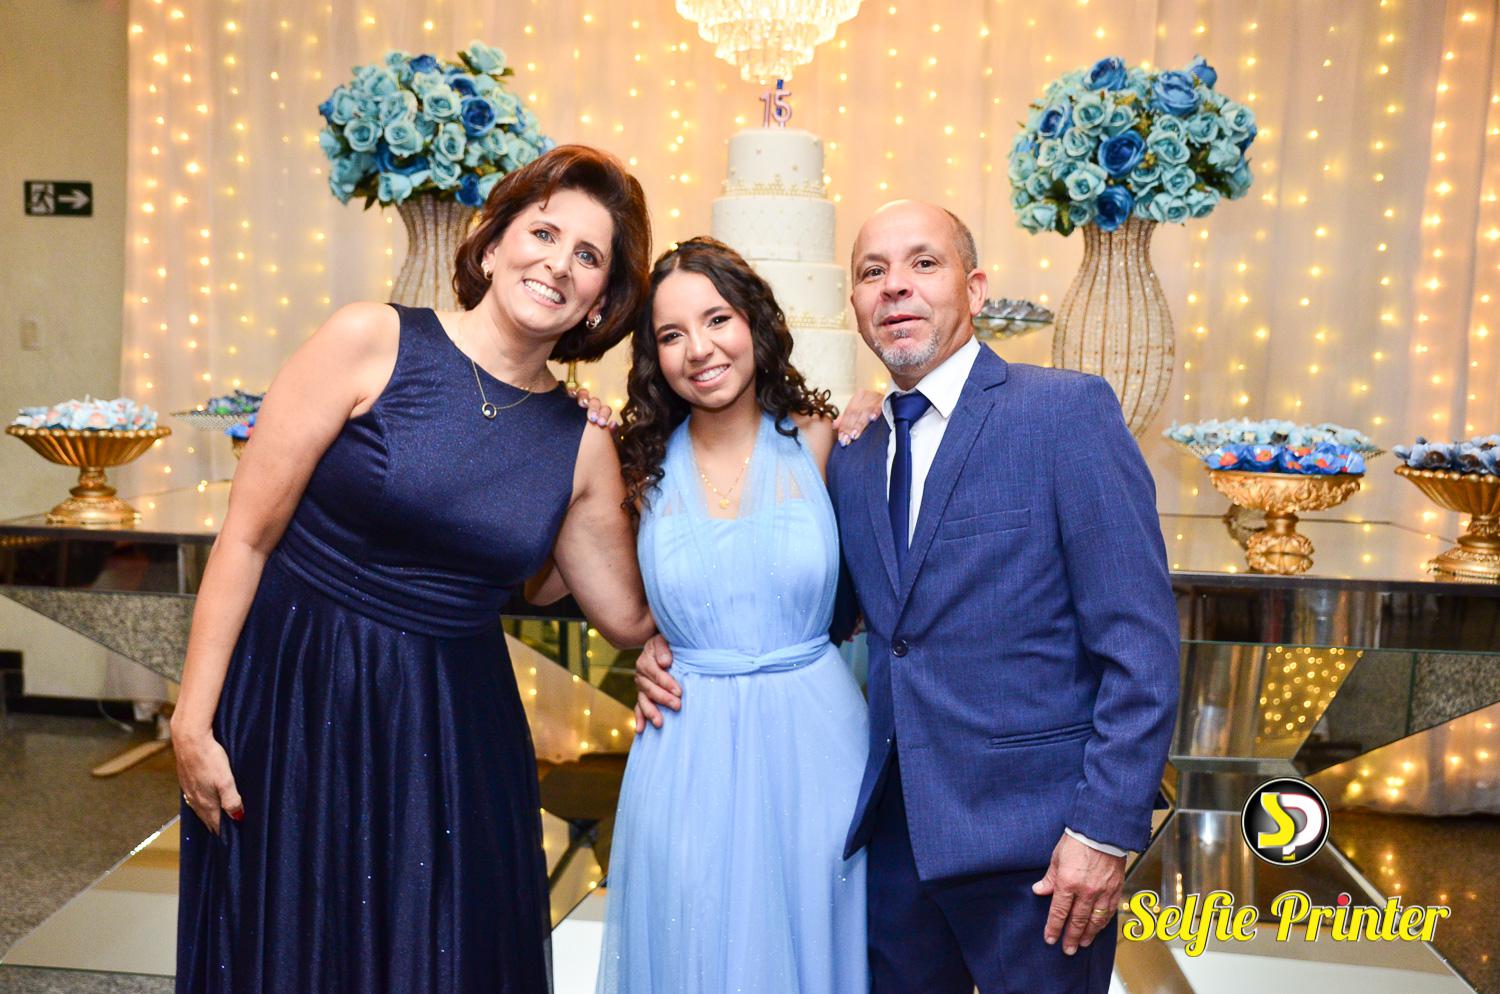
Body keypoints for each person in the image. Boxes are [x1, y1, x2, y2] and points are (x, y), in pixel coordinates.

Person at [635, 201, 1180, 994]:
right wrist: (667, 642)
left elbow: (1141, 646)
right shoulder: (855, 453)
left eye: (924, 263)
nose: (895, 286)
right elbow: (823, 610)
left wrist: (1102, 831)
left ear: (976, 287)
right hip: (890, 852)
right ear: (854, 305)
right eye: (872, 272)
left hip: (1038, 854)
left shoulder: (1065, 413)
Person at [171, 145, 658, 993]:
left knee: (431, 957)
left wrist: (722, 447)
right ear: (494, 243)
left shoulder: (582, 443)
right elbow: (246, 536)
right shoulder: (370, 340)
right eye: (544, 233)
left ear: (602, 299)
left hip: (451, 739)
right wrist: (191, 720)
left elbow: (626, 615)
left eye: (589, 256)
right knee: (291, 945)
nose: (558, 264)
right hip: (297, 699)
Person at [591, 237, 869, 993]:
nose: (699, 349)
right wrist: (565, 421)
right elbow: (570, 581)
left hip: (819, 747)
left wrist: (882, 404)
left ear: (755, 322)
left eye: (717, 319)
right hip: (687, 746)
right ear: (653, 357)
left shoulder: (827, 440)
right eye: (671, 334)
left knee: (818, 938)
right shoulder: (631, 465)